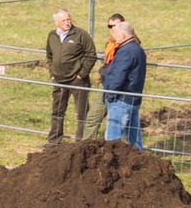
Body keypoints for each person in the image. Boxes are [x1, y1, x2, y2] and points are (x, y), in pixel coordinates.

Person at [44, 9, 97, 143]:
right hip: (59, 80)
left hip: (77, 81)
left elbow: (91, 55)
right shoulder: (52, 36)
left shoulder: (80, 35)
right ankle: (54, 141)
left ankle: (81, 143)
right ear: (56, 22)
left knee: (82, 112)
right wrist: (52, 73)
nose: (67, 23)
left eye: (69, 19)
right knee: (57, 111)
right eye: (64, 20)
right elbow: (49, 55)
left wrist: (81, 74)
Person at [99, 17, 147, 149]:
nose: (115, 38)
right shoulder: (138, 50)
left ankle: (111, 165)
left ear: (124, 35)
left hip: (121, 99)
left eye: (117, 35)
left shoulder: (125, 51)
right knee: (134, 138)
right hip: (133, 98)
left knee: (113, 139)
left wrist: (109, 93)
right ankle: (141, 162)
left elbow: (118, 76)